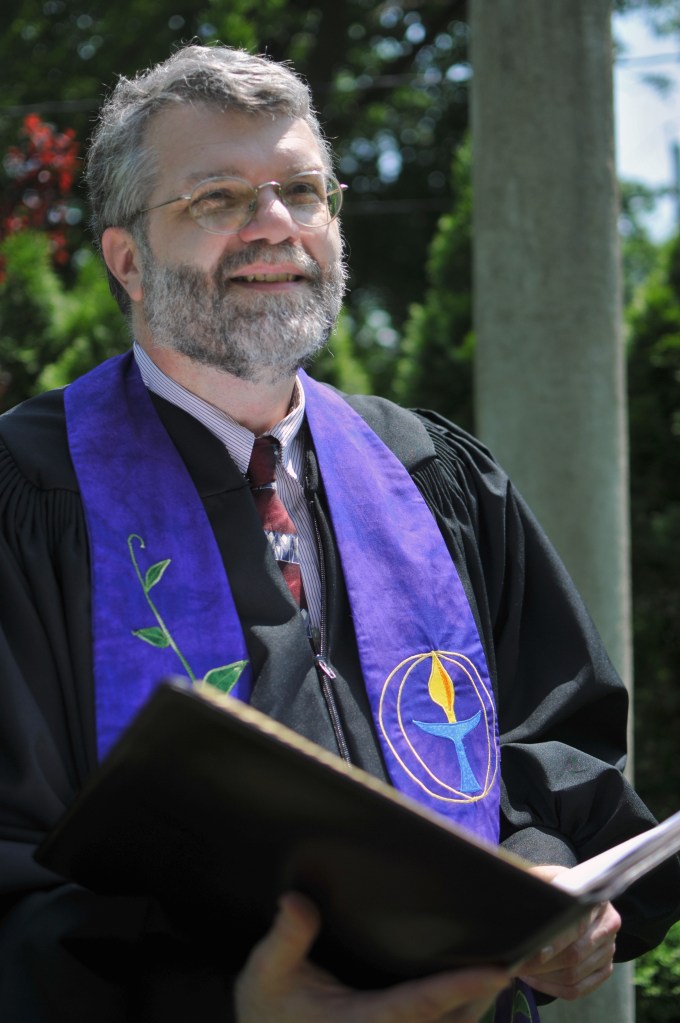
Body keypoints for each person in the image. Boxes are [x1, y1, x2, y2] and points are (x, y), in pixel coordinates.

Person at [0, 43, 677, 1023]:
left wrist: (546, 883)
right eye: (216, 198)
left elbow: (555, 747)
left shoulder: (433, 475)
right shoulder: (27, 495)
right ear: (126, 261)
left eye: (301, 191)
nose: (273, 226)